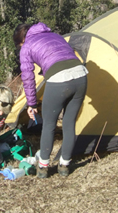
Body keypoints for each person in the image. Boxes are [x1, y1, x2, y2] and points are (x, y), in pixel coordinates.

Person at [13, 22, 88, 178]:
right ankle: (64, 166)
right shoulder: (55, 35)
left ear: (22, 40)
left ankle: (43, 168)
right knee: (69, 123)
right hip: (81, 75)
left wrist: (32, 104)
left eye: (19, 45)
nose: (21, 48)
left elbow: (28, 78)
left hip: (59, 79)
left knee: (48, 124)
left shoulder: (27, 46)